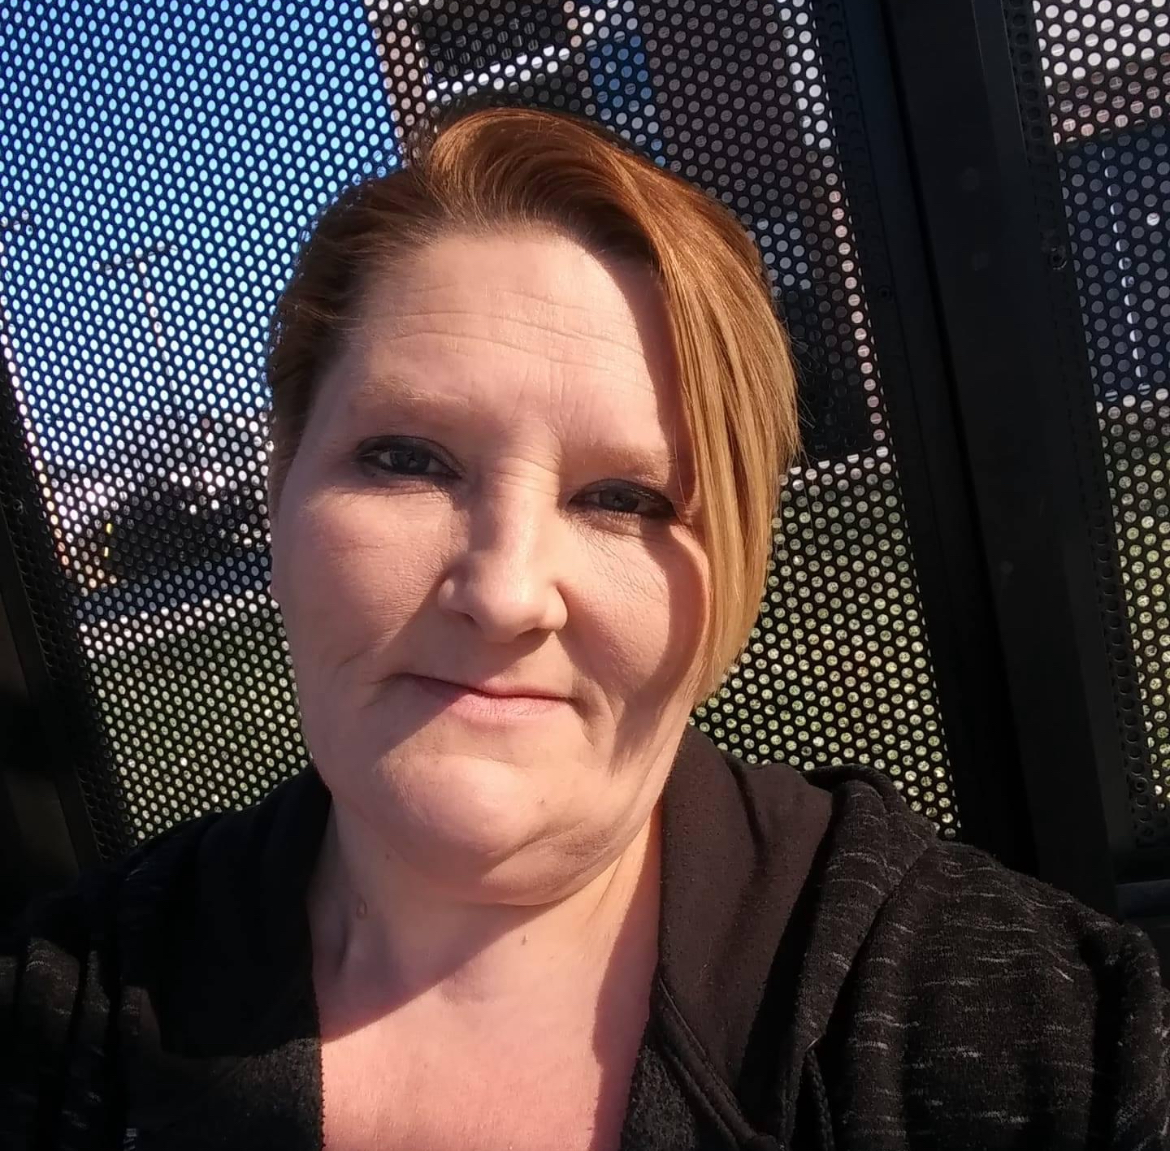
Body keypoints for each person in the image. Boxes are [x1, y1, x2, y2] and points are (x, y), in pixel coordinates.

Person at [2, 102, 1167, 1151]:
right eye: (406, 459)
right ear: (283, 489)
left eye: (626, 498)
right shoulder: (65, 1015)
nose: (506, 592)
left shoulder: (1011, 1023)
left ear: (735, 572)